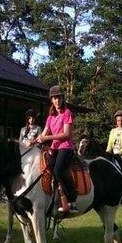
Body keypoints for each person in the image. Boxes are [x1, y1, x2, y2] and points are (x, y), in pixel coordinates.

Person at [36, 85, 78, 214]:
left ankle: (72, 200)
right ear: (51, 100)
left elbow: (66, 134)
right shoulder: (50, 117)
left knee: (58, 170)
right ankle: (50, 198)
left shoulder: (67, 113)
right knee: (44, 168)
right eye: (54, 98)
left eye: (59, 98)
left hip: (66, 148)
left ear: (62, 99)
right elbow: (44, 133)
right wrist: (36, 139)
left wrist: (47, 137)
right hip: (54, 148)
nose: (57, 100)